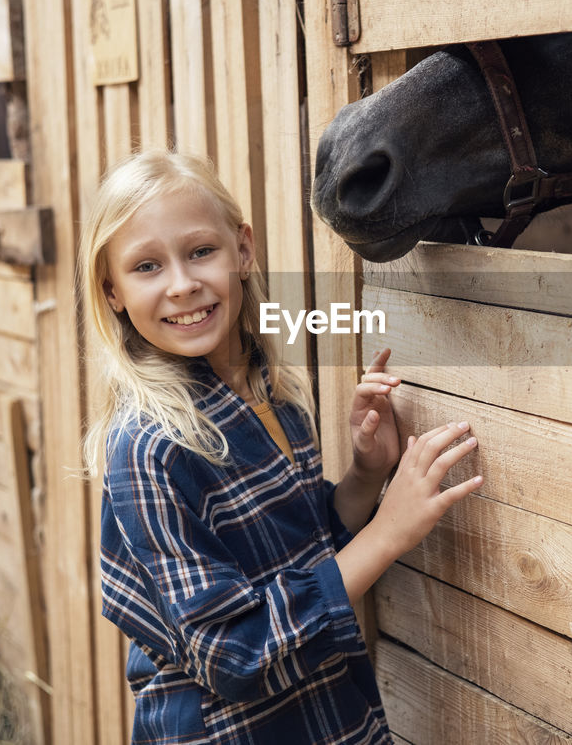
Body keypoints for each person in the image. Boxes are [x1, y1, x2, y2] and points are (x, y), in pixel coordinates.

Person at [78, 149, 483, 744]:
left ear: (242, 250)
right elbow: (237, 656)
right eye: (146, 267)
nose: (183, 284)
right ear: (111, 291)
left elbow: (297, 554)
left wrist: (367, 477)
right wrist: (389, 531)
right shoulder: (148, 448)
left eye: (199, 252)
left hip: (326, 715)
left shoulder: (271, 390)